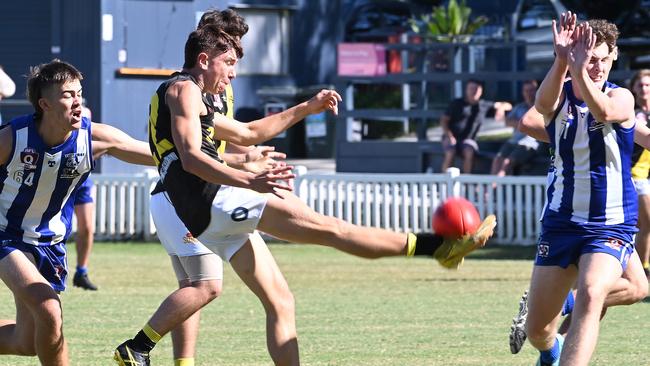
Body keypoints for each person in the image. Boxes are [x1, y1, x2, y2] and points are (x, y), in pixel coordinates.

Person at [113, 24, 497, 366]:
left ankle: (139, 347)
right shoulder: (184, 89)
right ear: (204, 59)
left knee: (280, 299)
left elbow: (247, 134)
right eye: (228, 62)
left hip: (204, 213)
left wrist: (306, 107)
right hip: (213, 199)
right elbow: (193, 158)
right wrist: (249, 180)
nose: (233, 73)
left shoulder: (196, 95)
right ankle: (439, 248)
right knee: (330, 229)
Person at [0, 59, 156, 366]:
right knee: (48, 308)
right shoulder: (11, 138)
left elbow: (161, 155)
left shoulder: (92, 138)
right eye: (68, 94)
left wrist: (228, 160)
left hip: (50, 244)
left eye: (79, 93)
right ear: (45, 104)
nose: (77, 101)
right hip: (6, 237)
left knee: (27, 342)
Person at [520, 13, 650, 366]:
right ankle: (551, 351)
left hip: (610, 224)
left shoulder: (621, 96)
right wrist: (563, 59)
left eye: (604, 59)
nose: (597, 66)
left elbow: (605, 110)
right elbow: (540, 109)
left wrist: (576, 69)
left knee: (594, 294)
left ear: (614, 57)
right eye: (590, 58)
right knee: (537, 331)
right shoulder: (561, 96)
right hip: (561, 223)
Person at [440, 79, 511, 173]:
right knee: (450, 152)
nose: (474, 91)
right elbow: (444, 120)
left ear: (481, 91)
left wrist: (500, 109)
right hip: (450, 136)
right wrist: (449, 136)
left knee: (469, 151)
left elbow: (507, 105)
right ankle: (445, 180)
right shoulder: (457, 103)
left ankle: (466, 182)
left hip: (468, 139)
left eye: (476, 89)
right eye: (471, 88)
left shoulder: (484, 105)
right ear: (466, 90)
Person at [71, 99, 98, 290]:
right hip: (57, 174)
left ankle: (81, 271)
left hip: (82, 177)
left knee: (87, 227)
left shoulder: (85, 112)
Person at [490, 80, 541, 177]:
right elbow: (507, 122)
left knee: (507, 163)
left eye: (531, 90)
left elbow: (539, 126)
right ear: (522, 92)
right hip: (514, 141)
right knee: (497, 159)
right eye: (526, 91)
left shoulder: (541, 107)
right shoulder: (519, 107)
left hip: (530, 144)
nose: (529, 93)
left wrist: (518, 123)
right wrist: (523, 124)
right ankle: (490, 187)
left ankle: (492, 188)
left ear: (537, 91)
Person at [630, 69, 650, 277]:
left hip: (646, 175)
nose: (644, 89)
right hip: (635, 174)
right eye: (640, 85)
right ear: (634, 88)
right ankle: (642, 268)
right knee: (646, 223)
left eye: (647, 85)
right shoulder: (635, 114)